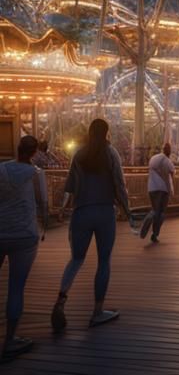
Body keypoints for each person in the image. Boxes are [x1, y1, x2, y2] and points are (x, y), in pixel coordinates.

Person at [51, 118, 136, 331]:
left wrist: (62, 209)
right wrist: (127, 210)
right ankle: (97, 311)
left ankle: (61, 300)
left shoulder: (79, 154)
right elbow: (119, 184)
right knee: (104, 261)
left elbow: (70, 186)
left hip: (81, 213)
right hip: (105, 212)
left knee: (76, 259)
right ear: (107, 132)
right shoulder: (111, 154)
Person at [0, 135, 48, 359]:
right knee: (16, 288)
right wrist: (45, 225)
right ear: (34, 152)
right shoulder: (36, 174)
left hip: (1, 230)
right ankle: (10, 340)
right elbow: (43, 204)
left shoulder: (2, 170)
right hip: (25, 235)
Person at [139, 143, 175, 243]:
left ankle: (145, 226)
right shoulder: (168, 162)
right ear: (169, 151)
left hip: (152, 188)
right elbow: (172, 176)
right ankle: (155, 234)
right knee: (161, 213)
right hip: (163, 189)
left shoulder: (153, 158)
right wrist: (172, 190)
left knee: (154, 210)